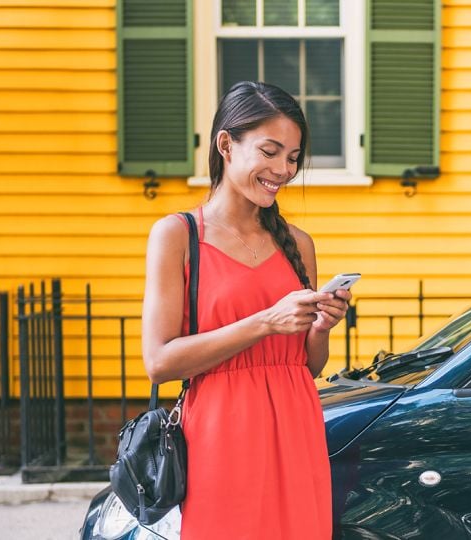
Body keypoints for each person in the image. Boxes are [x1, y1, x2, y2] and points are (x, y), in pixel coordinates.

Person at [141, 81, 349, 539]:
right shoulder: (177, 235)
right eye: (270, 152)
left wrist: (321, 327)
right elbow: (158, 363)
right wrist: (264, 322)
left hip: (297, 430)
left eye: (293, 157)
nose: (283, 169)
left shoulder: (298, 243)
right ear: (225, 145)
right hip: (221, 436)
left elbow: (308, 366)